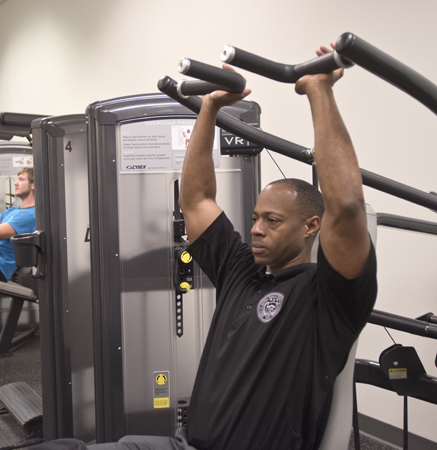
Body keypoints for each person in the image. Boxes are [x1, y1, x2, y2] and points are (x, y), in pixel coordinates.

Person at [32, 43, 378, 450]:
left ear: (311, 226)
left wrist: (319, 90)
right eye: (254, 218)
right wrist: (209, 109)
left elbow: (348, 205)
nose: (256, 230)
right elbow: (195, 200)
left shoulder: (329, 298)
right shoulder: (242, 269)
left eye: (272, 221)